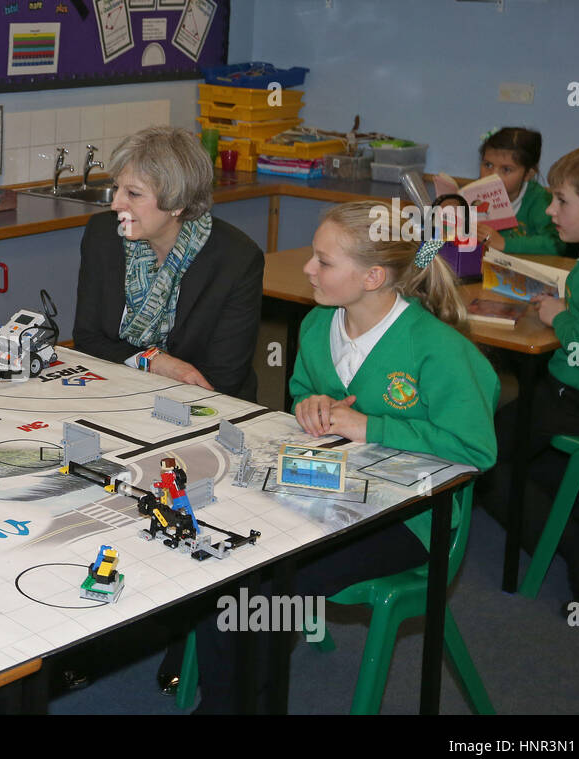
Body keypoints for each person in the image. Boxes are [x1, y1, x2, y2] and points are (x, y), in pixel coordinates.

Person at [194, 200, 500, 713]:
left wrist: (370, 426)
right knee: (219, 556)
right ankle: (226, 700)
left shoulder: (438, 349)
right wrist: (309, 404)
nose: (309, 269)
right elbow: (304, 393)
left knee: (271, 588)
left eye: (324, 261)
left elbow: (475, 449)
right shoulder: (318, 325)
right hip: (325, 490)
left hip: (413, 518)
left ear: (374, 276)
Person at [483, 143, 579, 616]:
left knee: (483, 456)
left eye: (562, 201)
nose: (550, 209)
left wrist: (560, 317)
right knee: (530, 460)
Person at [72, 125, 264, 401]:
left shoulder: (236, 260)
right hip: (118, 393)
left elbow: (224, 377)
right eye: (116, 188)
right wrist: (154, 361)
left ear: (178, 203)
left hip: (208, 406)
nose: (116, 203)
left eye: (133, 194)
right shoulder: (103, 235)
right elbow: (87, 339)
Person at [475, 127, 566, 255]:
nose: (492, 176)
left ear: (528, 174)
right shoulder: (474, 195)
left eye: (506, 169)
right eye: (488, 165)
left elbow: (556, 244)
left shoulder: (540, 200)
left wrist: (504, 243)